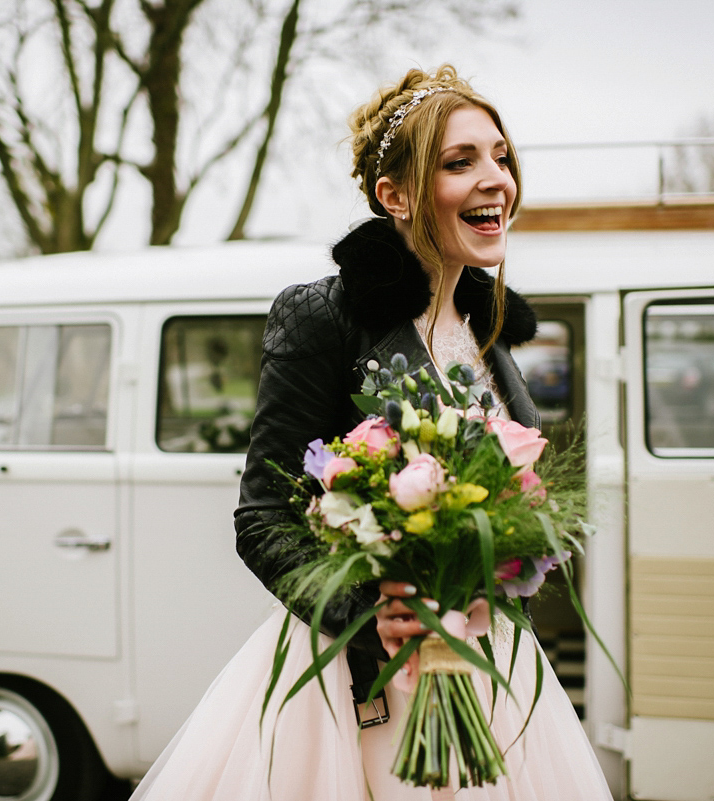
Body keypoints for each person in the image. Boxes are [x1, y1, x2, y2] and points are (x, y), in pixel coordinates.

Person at [130, 65, 612, 801]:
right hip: (358, 680)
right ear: (396, 195)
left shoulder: (491, 334)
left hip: (490, 665)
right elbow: (261, 516)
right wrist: (375, 612)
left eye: (501, 156)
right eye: (461, 162)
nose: (497, 179)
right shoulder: (323, 316)